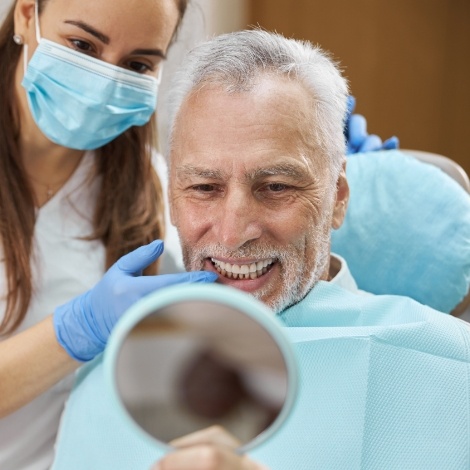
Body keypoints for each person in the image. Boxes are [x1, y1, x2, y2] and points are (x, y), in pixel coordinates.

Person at [50, 30, 470, 470]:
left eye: (275, 187)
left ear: (337, 199)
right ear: (172, 199)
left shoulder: (451, 366)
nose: (232, 234)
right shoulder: (113, 377)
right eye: (204, 187)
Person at [0, 1, 225, 468]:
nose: (104, 82)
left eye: (137, 64)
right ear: (26, 15)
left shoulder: (151, 191)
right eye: (82, 45)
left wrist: (318, 162)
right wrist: (74, 330)